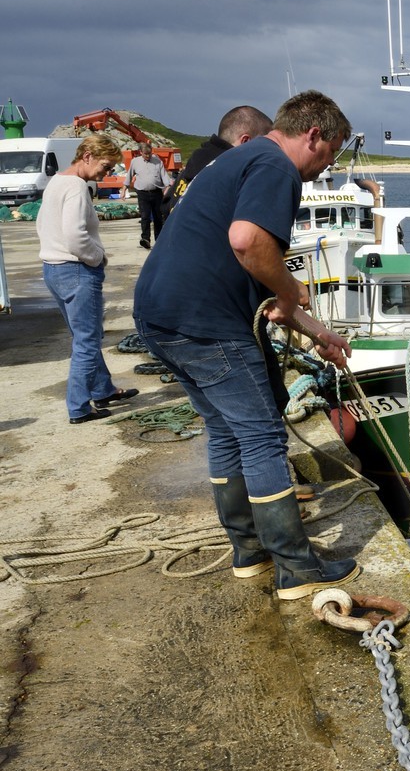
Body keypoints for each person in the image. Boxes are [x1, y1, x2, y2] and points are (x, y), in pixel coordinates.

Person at [132, 90, 359, 600]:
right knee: (260, 437)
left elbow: (259, 275)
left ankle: (249, 553)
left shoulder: (239, 158)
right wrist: (290, 288)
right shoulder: (276, 166)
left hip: (159, 317)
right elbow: (247, 241)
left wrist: (320, 332)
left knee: (226, 433)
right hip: (206, 324)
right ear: (313, 135)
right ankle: (296, 569)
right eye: (330, 154)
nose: (325, 169)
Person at [36, 134, 142, 424]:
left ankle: (103, 389)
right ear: (87, 157)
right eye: (106, 166)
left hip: (53, 268)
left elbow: (42, 224)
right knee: (87, 342)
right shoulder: (77, 187)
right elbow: (75, 235)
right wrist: (97, 257)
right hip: (76, 269)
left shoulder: (56, 181)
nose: (106, 173)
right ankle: (79, 407)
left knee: (83, 336)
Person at [161, 105, 273, 220]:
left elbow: (166, 205)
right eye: (264, 145)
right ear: (245, 141)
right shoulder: (228, 173)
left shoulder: (192, 167)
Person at [126, 143, 170, 248]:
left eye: (149, 153)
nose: (148, 156)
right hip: (142, 193)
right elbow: (129, 175)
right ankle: (145, 239)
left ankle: (159, 239)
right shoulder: (135, 162)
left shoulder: (158, 161)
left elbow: (164, 176)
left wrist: (167, 187)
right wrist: (124, 189)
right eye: (145, 154)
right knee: (145, 216)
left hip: (156, 193)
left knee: (158, 217)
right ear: (140, 152)